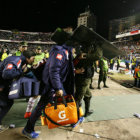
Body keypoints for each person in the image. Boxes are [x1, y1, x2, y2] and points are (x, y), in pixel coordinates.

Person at [22, 29, 75, 139]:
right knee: (40, 106)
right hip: (50, 84)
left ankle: (73, 119)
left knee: (65, 99)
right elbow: (53, 70)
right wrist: (57, 87)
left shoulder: (65, 51)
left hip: (56, 83)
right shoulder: (59, 52)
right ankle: (28, 129)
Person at [0, 50, 35, 133]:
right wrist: (21, 71)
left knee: (6, 102)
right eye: (33, 58)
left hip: (3, 84)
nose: (33, 60)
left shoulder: (21, 61)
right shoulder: (17, 60)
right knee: (6, 103)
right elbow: (7, 74)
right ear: (27, 58)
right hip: (1, 83)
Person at [74, 46, 102, 117]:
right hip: (83, 80)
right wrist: (99, 46)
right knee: (78, 98)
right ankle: (75, 116)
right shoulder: (85, 56)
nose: (92, 50)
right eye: (91, 49)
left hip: (85, 80)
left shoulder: (81, 55)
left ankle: (86, 112)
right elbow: (98, 55)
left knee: (88, 95)